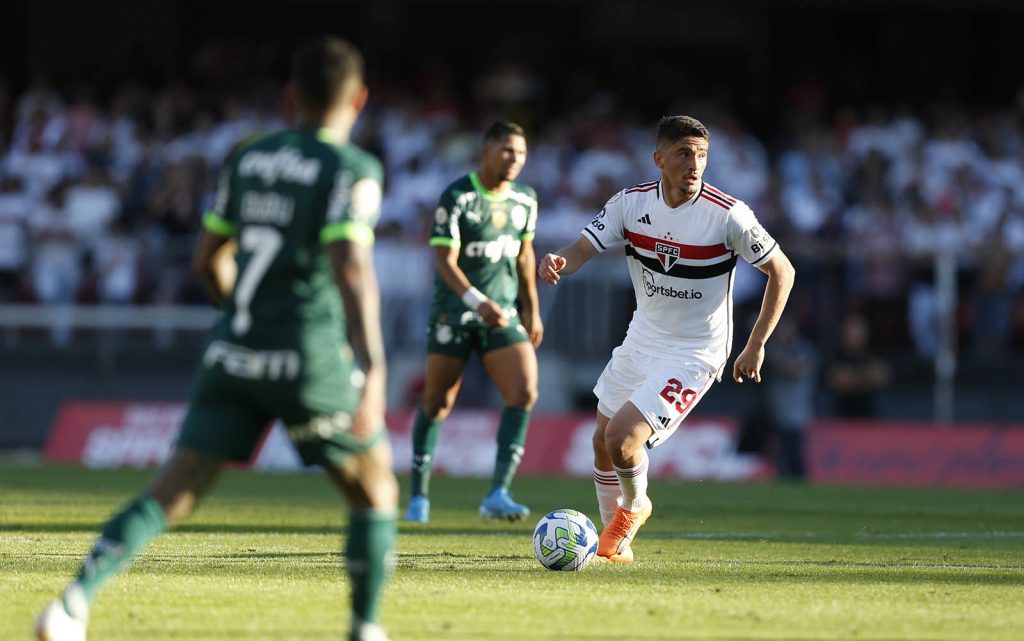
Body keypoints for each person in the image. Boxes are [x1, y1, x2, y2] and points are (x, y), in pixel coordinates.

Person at [36, 37, 398, 641]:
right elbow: (352, 267)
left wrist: (243, 318)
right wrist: (374, 367)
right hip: (307, 354)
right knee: (374, 486)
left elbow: (208, 261)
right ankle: (365, 628)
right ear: (358, 99)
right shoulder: (352, 168)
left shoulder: (248, 158)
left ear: (290, 98)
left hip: (233, 351)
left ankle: (72, 603)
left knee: (175, 490)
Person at [538, 115, 795, 562]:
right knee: (600, 442)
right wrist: (558, 261)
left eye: (701, 155)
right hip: (642, 339)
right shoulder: (629, 205)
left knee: (622, 438)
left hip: (695, 352)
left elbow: (782, 271)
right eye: (682, 153)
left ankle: (635, 507)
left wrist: (755, 344)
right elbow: (581, 249)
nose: (693, 163)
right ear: (658, 159)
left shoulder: (728, 215)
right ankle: (609, 542)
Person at [403, 121, 542, 523]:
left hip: (503, 314)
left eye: (520, 153)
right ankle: (418, 497)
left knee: (524, 392)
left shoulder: (525, 199)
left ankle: (498, 492)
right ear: (485, 151)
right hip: (455, 312)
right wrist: (476, 301)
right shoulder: (458, 197)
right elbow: (443, 261)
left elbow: (524, 256)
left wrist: (531, 308)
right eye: (506, 151)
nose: (514, 159)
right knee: (437, 401)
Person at [826, 313, 891, 418]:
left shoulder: (874, 352)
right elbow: (839, 381)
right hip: (841, 418)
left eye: (858, 332)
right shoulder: (835, 355)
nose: (855, 336)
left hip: (871, 418)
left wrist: (852, 378)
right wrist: (867, 378)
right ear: (843, 334)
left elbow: (882, 377)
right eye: (851, 332)